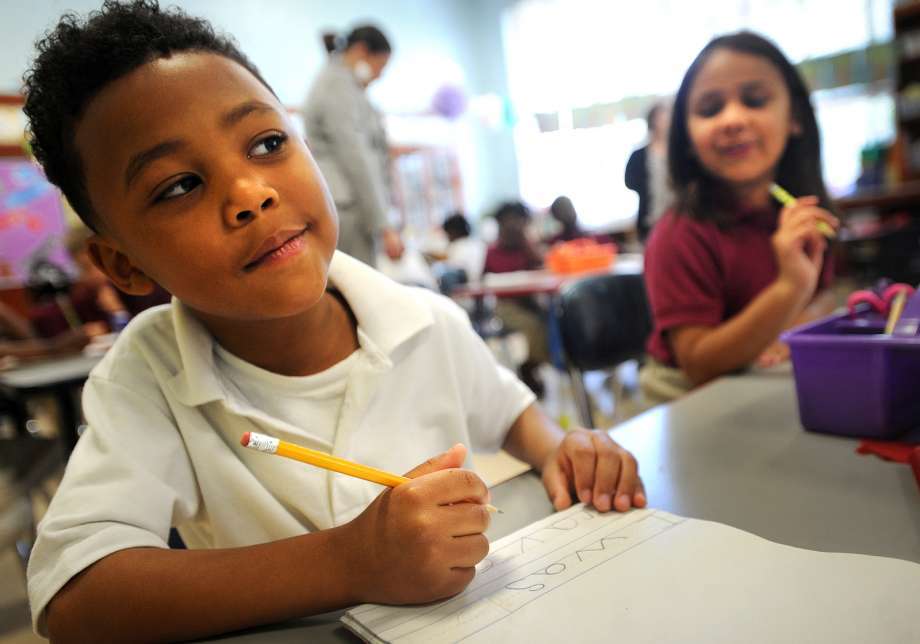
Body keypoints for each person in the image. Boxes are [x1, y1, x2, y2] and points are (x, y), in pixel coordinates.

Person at [21, 2, 645, 640]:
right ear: (123, 266)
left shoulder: (424, 318)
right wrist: (352, 561)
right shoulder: (148, 374)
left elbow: (511, 413)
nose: (250, 194)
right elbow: (76, 599)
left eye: (267, 144)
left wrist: (562, 451)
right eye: (179, 185)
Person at [639, 31, 839, 405]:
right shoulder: (678, 234)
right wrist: (787, 291)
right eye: (710, 109)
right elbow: (698, 364)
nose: (732, 119)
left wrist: (796, 318)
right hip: (690, 403)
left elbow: (824, 294)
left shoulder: (797, 211)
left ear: (794, 117)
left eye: (755, 99)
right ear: (687, 138)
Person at [303, 24, 403, 268]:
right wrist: (383, 224)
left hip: (352, 204)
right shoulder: (337, 85)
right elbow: (356, 155)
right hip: (349, 205)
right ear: (360, 51)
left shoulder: (346, 85)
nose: (379, 75)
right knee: (358, 291)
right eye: (380, 66)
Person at [483, 201, 549, 396]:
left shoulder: (526, 248)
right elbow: (485, 282)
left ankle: (535, 363)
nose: (513, 226)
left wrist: (527, 244)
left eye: (518, 221)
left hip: (531, 302)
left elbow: (542, 266)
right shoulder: (492, 252)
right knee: (534, 326)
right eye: (508, 222)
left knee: (552, 322)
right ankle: (530, 366)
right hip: (507, 305)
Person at [625, 100, 674, 241]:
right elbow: (630, 181)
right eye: (662, 118)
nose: (666, 122)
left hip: (676, 218)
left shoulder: (677, 152)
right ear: (653, 121)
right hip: (650, 219)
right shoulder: (639, 154)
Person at [441, 211, 486, 283]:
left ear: (453, 232)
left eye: (447, 234)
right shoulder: (477, 244)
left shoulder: (457, 246)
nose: (447, 238)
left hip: (464, 289)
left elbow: (452, 269)